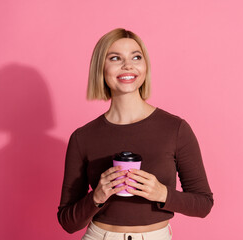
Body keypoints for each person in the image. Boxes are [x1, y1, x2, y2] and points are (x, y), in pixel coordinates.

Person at [57, 28, 213, 240]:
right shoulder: (82, 137)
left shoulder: (175, 129)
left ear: (145, 66)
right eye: (115, 58)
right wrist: (97, 196)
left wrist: (162, 193)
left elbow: (203, 204)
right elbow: (67, 222)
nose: (128, 65)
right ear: (100, 68)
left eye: (136, 57)